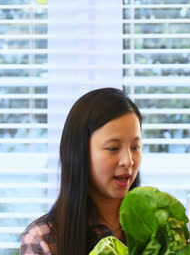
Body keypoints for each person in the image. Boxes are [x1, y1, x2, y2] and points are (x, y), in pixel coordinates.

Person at [20, 88, 143, 255]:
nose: (128, 161)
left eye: (135, 147)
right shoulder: (43, 239)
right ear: (80, 153)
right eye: (113, 148)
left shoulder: (157, 229)